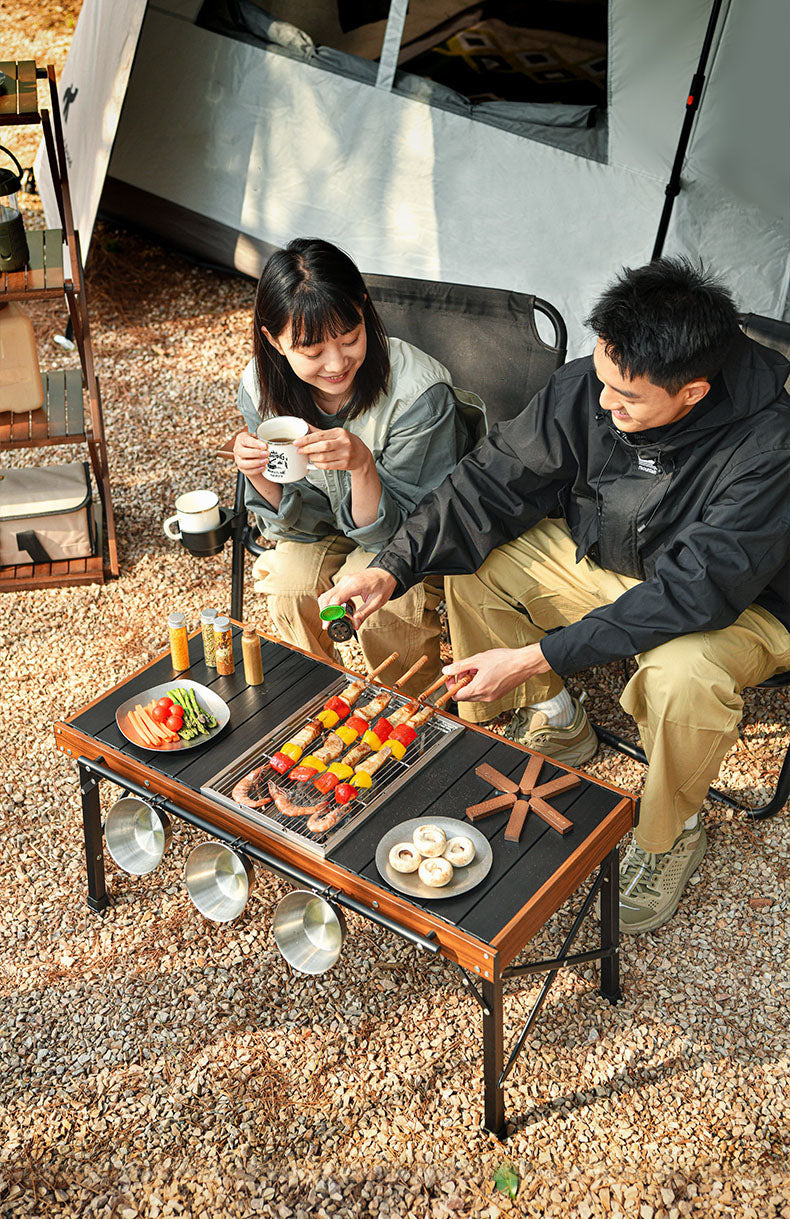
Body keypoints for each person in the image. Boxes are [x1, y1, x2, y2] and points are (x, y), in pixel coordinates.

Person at [319, 258, 790, 933]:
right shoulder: (598, 383)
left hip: (745, 605)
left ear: (692, 392)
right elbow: (488, 484)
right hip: (625, 562)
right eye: (602, 382)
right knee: (480, 565)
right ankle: (557, 720)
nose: (604, 404)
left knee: (681, 672)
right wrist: (392, 567)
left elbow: (697, 592)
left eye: (626, 399)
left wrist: (539, 652)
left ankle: (672, 830)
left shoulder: (770, 446)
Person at [232, 237, 484, 696]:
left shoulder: (418, 395)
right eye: (311, 352)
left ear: (363, 309)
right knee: (288, 583)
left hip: (402, 534)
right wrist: (256, 475)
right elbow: (292, 529)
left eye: (349, 339)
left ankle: (411, 705)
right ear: (273, 339)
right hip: (317, 526)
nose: (336, 363)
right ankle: (314, 700)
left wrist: (364, 467)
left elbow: (408, 537)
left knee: (382, 602)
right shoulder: (258, 386)